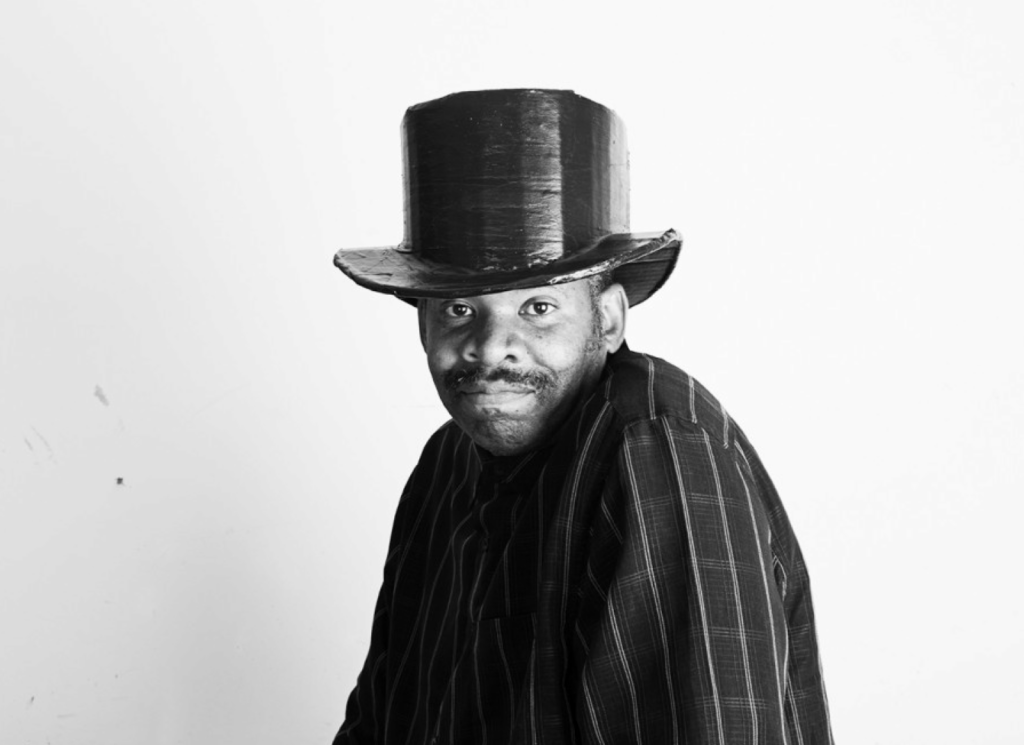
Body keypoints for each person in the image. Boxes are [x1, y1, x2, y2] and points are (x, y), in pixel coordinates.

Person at [331, 89, 833, 744]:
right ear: (422, 319)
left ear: (610, 318)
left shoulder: (655, 451)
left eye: (537, 307)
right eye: (460, 308)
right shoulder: (442, 470)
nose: (490, 345)